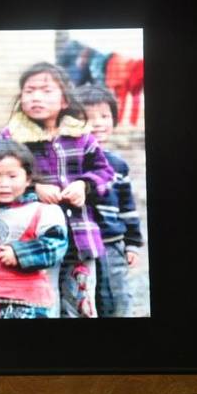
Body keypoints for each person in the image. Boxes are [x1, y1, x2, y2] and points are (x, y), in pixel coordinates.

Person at [0, 62, 114, 318]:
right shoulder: (10, 137)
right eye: (29, 91)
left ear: (64, 101)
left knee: (81, 303)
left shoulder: (82, 136)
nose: (36, 97)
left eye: (46, 90)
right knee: (42, 302)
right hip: (34, 239)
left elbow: (106, 173)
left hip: (79, 235)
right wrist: (34, 188)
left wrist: (84, 185)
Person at [0, 141, 68, 319]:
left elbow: (56, 246)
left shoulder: (43, 212)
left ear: (28, 179)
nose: (3, 183)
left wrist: (20, 253)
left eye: (12, 176)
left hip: (27, 303)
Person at [75, 85, 144, 317]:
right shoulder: (73, 163)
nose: (98, 123)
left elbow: (127, 207)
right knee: (86, 296)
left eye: (104, 116)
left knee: (117, 295)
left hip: (112, 243)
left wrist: (131, 243)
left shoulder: (118, 165)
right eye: (88, 118)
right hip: (81, 245)